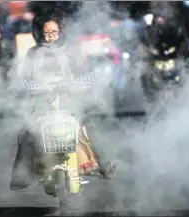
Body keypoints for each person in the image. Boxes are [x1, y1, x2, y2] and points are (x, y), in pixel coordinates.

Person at [10, 8, 116, 191]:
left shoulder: (72, 51)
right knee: (27, 133)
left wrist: (77, 84)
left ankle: (103, 168)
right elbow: (25, 80)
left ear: (61, 31)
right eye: (46, 33)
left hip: (71, 102)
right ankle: (22, 177)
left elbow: (88, 75)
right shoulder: (32, 54)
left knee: (86, 130)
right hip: (42, 104)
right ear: (38, 33)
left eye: (54, 32)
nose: (50, 37)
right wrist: (35, 87)